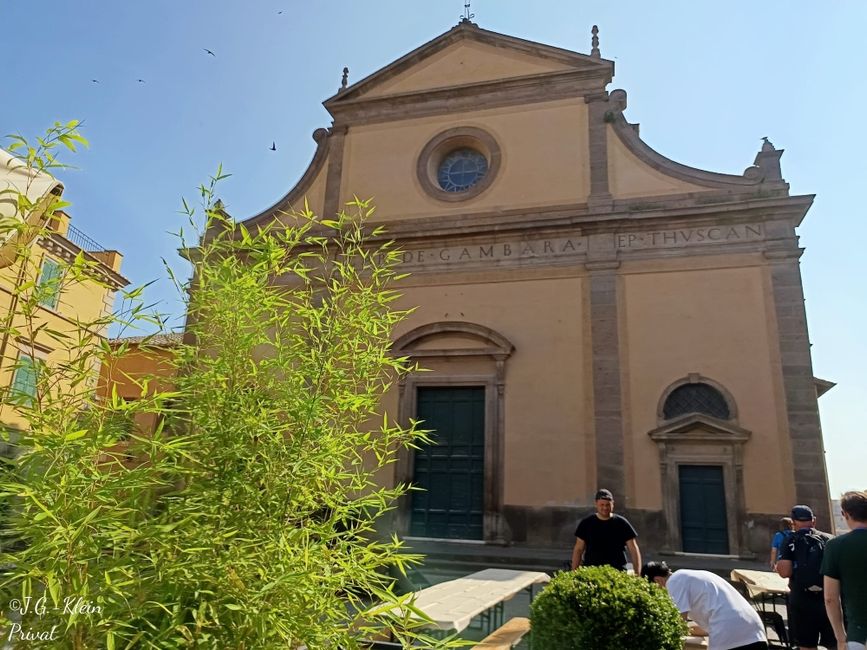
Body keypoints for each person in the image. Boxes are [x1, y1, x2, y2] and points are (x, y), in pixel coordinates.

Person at [642, 561, 768, 650]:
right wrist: (689, 630)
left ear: (657, 580)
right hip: (754, 631)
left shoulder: (674, 582)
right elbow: (708, 624)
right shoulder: (691, 576)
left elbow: (678, 623)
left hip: (729, 635)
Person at [776, 504, 837, 650]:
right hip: (829, 598)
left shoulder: (789, 540)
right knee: (835, 644)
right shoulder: (830, 539)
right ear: (813, 520)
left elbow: (785, 572)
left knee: (807, 645)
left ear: (793, 522)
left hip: (802, 599)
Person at [822, 490, 867, 650]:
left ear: (845, 514)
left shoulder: (835, 546)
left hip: (859, 635)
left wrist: (840, 637)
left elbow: (830, 598)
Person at [570, 488, 640, 572]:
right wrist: (574, 572)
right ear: (596, 504)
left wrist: (637, 573)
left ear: (613, 504)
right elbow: (578, 549)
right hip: (592, 572)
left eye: (608, 505)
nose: (605, 507)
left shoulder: (622, 523)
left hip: (617, 572)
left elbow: (633, 549)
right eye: (602, 505)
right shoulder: (586, 523)